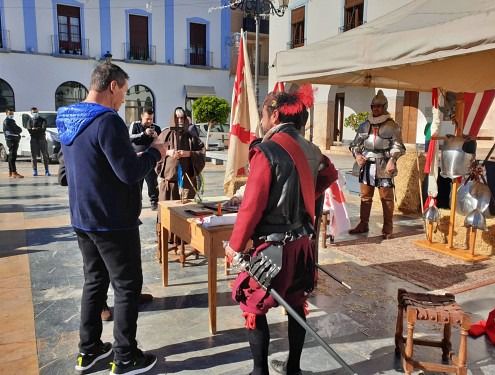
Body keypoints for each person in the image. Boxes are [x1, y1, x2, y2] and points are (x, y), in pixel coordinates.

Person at [56, 62, 165, 375]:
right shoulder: (108, 121)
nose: (123, 99)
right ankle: (126, 356)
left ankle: (88, 351)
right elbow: (129, 173)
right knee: (127, 287)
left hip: (82, 218)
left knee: (94, 282)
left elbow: (68, 173)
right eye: (124, 91)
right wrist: (156, 151)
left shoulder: (69, 118)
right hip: (112, 221)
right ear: (113, 86)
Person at [224, 85, 338, 375]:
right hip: (302, 245)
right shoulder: (312, 149)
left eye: (263, 115)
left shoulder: (267, 150)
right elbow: (329, 174)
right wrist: (305, 196)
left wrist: (235, 246)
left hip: (272, 249)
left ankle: (259, 371)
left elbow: (252, 206)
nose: (261, 122)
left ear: (274, 116)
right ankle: (294, 369)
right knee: (296, 303)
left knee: (252, 304)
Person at [348, 89, 406, 239]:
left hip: (384, 163)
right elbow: (355, 144)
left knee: (386, 197)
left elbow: (398, 146)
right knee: (365, 196)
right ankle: (363, 223)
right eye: (374, 106)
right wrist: (357, 155)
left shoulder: (393, 126)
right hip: (366, 164)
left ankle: (388, 228)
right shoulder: (364, 125)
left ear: (384, 107)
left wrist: (392, 160)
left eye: (379, 106)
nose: (376, 109)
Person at [156, 107, 205, 202]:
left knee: (186, 210)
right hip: (169, 182)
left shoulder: (191, 136)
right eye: (177, 118)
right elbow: (155, 151)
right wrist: (167, 152)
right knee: (168, 211)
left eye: (182, 118)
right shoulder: (165, 134)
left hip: (187, 182)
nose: (180, 120)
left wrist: (189, 153)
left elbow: (202, 153)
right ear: (173, 119)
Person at [129, 109, 162, 210]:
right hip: (137, 159)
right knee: (137, 183)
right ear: (141, 117)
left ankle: (154, 201)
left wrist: (156, 137)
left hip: (150, 159)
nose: (149, 121)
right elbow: (129, 137)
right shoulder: (135, 125)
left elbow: (161, 143)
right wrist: (144, 134)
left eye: (151, 119)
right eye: (147, 119)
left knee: (152, 182)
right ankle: (137, 203)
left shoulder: (156, 127)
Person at [27, 107, 51, 176]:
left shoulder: (43, 120)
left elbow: (43, 129)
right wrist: (36, 129)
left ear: (38, 112)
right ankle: (35, 170)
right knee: (33, 156)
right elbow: (29, 130)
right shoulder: (29, 121)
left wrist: (35, 129)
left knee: (45, 155)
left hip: (42, 139)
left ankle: (47, 170)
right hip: (33, 139)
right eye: (33, 112)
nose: (35, 113)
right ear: (31, 113)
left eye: (36, 112)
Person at [3, 108, 23, 178]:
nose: (11, 115)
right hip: (11, 140)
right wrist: (17, 131)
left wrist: (17, 131)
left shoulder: (11, 121)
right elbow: (15, 130)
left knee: (12, 156)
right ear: (6, 114)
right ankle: (14, 172)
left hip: (14, 140)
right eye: (10, 114)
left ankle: (11, 172)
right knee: (12, 156)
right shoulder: (7, 122)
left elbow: (19, 129)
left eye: (12, 113)